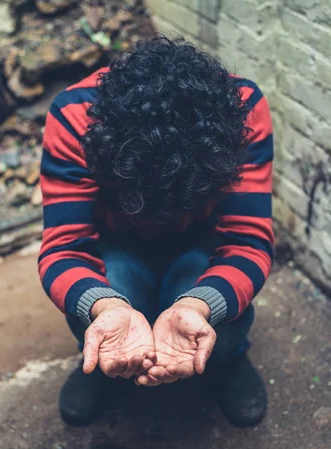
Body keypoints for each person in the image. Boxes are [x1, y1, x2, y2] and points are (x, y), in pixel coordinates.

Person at [37, 36, 274, 427]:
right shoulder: (74, 115)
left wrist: (197, 306)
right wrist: (107, 308)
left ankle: (229, 357)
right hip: (117, 242)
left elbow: (247, 242)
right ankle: (98, 356)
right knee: (110, 287)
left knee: (212, 305)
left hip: (201, 239)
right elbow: (64, 250)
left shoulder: (244, 111)